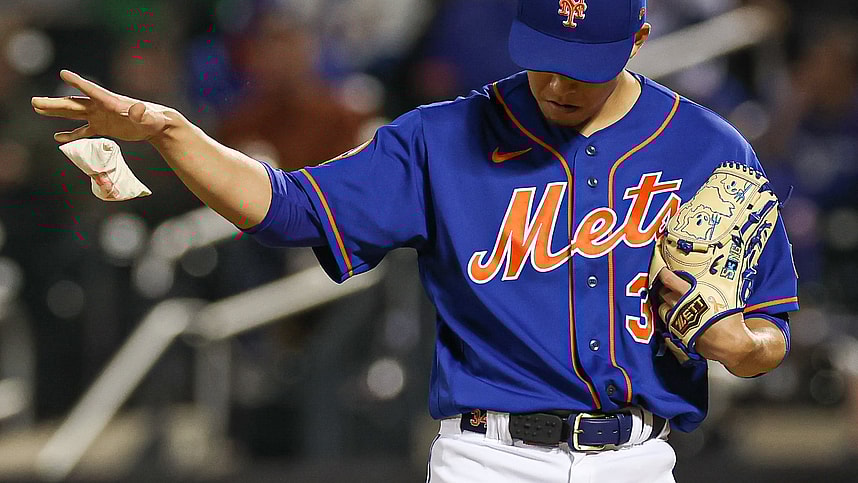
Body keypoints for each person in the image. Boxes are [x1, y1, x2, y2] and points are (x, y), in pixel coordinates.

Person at [32, 0, 798, 481]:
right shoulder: (443, 137)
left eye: (582, 68)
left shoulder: (707, 148)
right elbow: (290, 208)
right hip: (487, 459)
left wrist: (740, 344)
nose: (558, 84)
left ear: (637, 38)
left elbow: (770, 332)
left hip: (638, 458)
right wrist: (175, 133)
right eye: (544, 60)